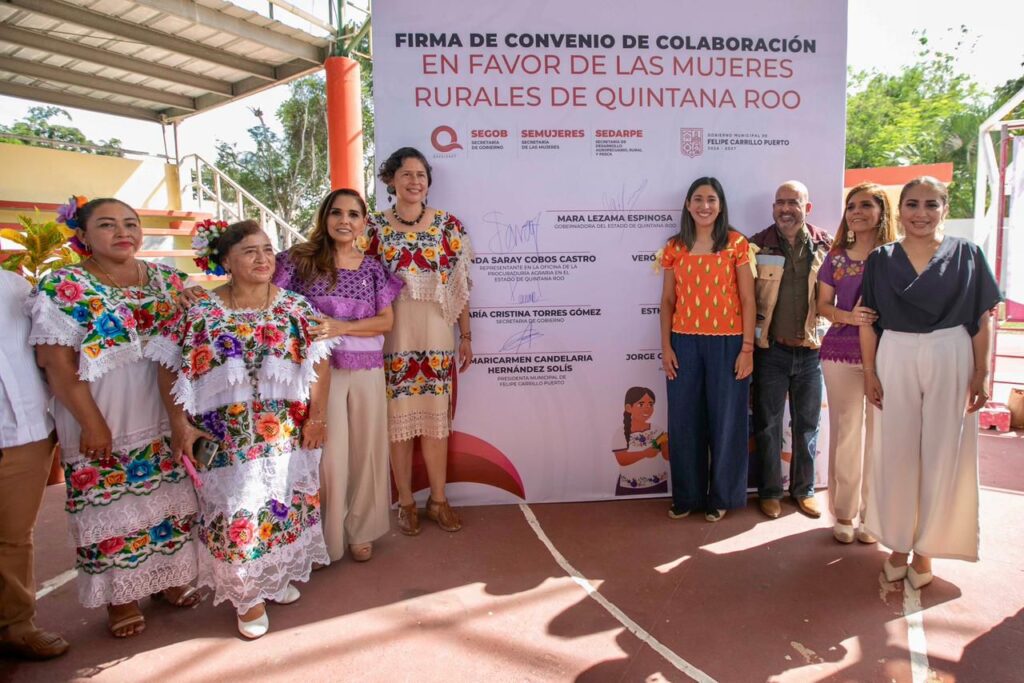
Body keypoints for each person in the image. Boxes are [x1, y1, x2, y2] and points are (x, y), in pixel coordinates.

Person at [150, 219, 333, 638]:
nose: (263, 258)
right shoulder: (202, 311)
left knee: (282, 503)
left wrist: (317, 417)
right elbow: (167, 366)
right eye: (250, 251)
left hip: (285, 428)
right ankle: (246, 595)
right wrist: (179, 425)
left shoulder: (295, 306)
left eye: (268, 250)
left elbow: (320, 363)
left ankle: (273, 574)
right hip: (224, 433)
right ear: (227, 261)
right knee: (236, 511)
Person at [28, 197, 200, 639]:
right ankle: (120, 598)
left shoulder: (167, 279)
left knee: (168, 501)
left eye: (131, 223)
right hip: (101, 413)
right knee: (112, 508)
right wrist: (92, 424)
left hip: (164, 410)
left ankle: (167, 581)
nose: (123, 232)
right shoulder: (64, 285)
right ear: (82, 236)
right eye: (107, 225)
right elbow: (56, 363)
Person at [859, 177, 1000, 589]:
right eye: (913, 204)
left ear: (945, 207)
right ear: (899, 210)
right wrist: (870, 372)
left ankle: (926, 549)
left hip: (950, 352)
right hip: (895, 353)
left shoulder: (969, 254)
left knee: (943, 451)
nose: (921, 213)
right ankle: (899, 545)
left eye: (931, 204)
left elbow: (981, 320)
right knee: (896, 451)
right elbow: (869, 321)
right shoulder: (881, 259)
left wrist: (980, 372)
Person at [273, 189, 403, 564]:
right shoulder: (298, 261)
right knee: (328, 456)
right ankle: (325, 537)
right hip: (317, 372)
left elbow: (386, 322)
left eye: (353, 214)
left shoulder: (373, 268)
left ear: (364, 222)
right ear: (324, 217)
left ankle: (362, 530)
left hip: (366, 370)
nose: (344, 221)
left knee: (367, 450)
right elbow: (266, 296)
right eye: (336, 213)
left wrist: (339, 326)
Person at [365, 147, 473, 535]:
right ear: (391, 180)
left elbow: (461, 287)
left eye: (421, 175)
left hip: (437, 339)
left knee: (434, 425)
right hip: (393, 340)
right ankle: (406, 503)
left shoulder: (448, 226)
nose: (414, 181)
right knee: (398, 426)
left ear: (428, 182)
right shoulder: (372, 228)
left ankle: (438, 501)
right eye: (406, 174)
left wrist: (467, 335)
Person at [660, 177, 755, 522]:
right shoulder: (674, 247)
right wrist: (666, 346)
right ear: (687, 205)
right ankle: (687, 496)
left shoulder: (736, 244)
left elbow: (747, 298)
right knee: (684, 420)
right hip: (684, 343)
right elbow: (668, 300)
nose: (704, 206)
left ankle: (723, 496)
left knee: (727, 422)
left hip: (729, 343)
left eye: (711, 199)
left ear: (720, 204)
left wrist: (747, 349)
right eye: (697, 199)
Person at [815, 183, 897, 544]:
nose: (857, 212)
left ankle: (873, 514)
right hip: (839, 353)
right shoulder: (835, 258)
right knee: (847, 433)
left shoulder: (898, 257)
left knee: (881, 436)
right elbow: (822, 308)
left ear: (882, 212)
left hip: (890, 356)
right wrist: (851, 317)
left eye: (866, 205)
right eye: (851, 206)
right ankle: (844, 514)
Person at [750, 181, 833, 520]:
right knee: (768, 425)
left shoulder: (826, 245)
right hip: (771, 352)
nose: (786, 209)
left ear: (807, 208)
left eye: (793, 203)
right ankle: (769, 492)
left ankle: (804, 490)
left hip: (811, 352)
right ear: (773, 208)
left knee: (807, 425)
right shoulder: (757, 245)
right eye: (780, 203)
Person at [0, 270, 69, 660]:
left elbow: (46, 354)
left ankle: (17, 624)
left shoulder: (15, 287)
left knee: (13, 536)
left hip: (24, 432)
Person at [612, 387, 668, 496]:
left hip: (658, 483)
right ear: (629, 408)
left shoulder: (658, 430)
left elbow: (667, 457)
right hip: (630, 485)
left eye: (651, 404)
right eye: (641, 404)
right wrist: (645, 453)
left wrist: (668, 444)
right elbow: (622, 460)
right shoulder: (621, 433)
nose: (647, 409)